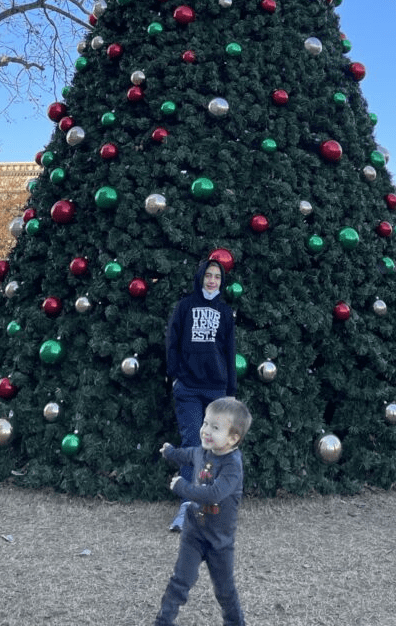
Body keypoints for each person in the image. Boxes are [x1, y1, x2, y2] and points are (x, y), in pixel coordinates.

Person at [153, 397, 252, 626]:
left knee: (225, 591)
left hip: (220, 542)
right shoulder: (203, 451)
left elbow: (214, 493)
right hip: (194, 534)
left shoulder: (232, 466)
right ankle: (163, 621)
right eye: (205, 423)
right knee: (180, 581)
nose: (206, 431)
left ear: (233, 438)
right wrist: (170, 452)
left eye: (215, 427)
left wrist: (182, 487)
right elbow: (188, 455)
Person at [165, 258, 237, 531]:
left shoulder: (225, 313)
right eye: (208, 275)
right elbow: (172, 341)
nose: (212, 281)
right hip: (189, 388)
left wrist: (231, 391)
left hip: (216, 388)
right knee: (192, 440)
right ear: (200, 277)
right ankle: (187, 506)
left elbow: (229, 352)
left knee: (217, 444)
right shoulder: (185, 307)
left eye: (217, 277)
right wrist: (175, 376)